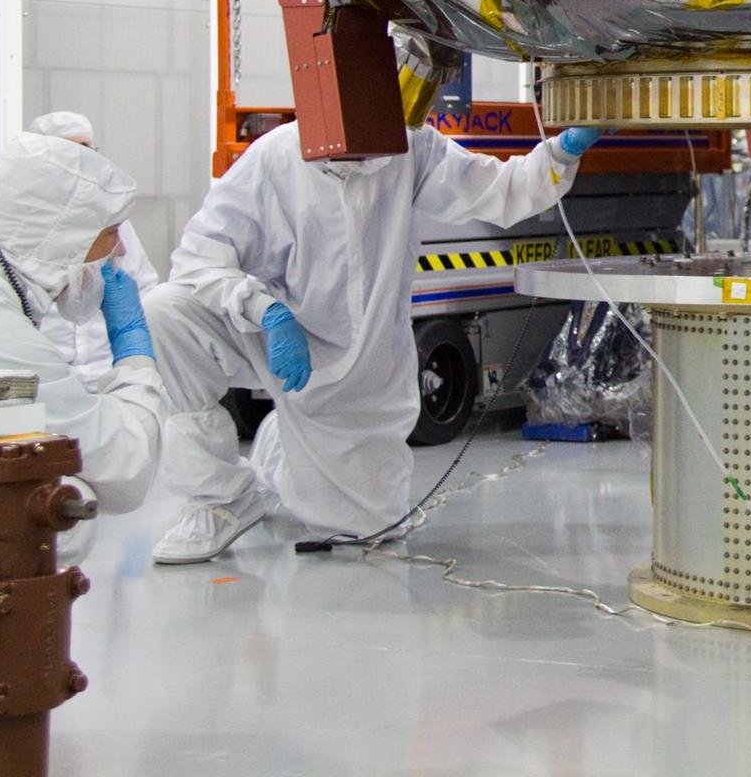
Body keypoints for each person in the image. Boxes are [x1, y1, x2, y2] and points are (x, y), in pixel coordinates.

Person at [145, 120, 605, 564]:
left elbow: (500, 190)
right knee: (167, 312)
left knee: (358, 532)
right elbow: (199, 257)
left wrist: (562, 151)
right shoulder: (274, 158)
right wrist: (264, 310)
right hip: (269, 333)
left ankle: (282, 448)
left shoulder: (410, 149)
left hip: (359, 372)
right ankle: (220, 500)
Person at [0, 134, 166, 550]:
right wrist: (134, 357)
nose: (119, 249)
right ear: (61, 237)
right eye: (111, 232)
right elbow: (124, 468)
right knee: (60, 497)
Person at [28, 112, 161, 389]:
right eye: (72, 151)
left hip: (108, 372)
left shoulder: (113, 219)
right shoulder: (23, 224)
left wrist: (135, 347)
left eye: (88, 150)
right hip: (44, 377)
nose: (83, 160)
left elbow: (143, 286)